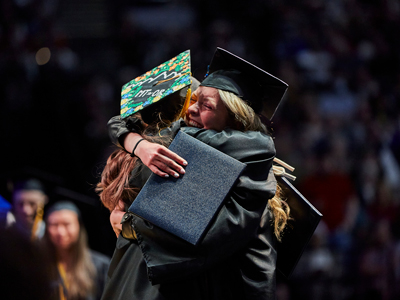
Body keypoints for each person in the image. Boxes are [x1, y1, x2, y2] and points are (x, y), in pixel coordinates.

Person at [97, 48, 290, 300]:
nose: (191, 110)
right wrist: (138, 144)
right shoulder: (165, 153)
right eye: (192, 100)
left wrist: (127, 225)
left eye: (206, 105)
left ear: (235, 122)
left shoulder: (246, 169)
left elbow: (200, 237)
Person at [43, 201, 110, 300]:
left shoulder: (100, 266)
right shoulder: (38, 265)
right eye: (54, 225)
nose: (60, 232)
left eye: (66, 224)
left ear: (79, 226)